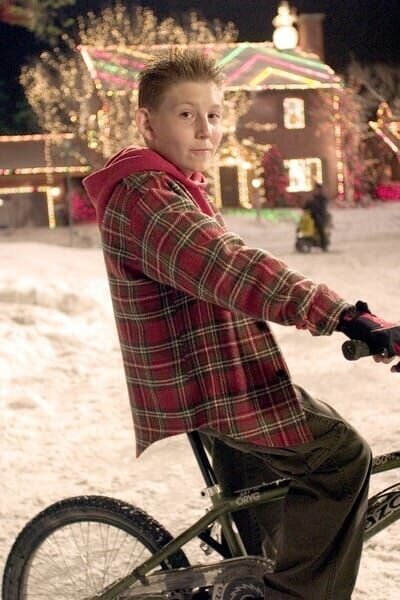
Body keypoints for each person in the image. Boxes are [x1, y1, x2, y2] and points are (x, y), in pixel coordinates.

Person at [83, 50, 400, 599]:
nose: (205, 129)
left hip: (224, 374)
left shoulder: (176, 186)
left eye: (213, 114)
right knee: (340, 457)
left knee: (265, 535)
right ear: (147, 122)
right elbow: (231, 267)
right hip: (213, 385)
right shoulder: (146, 198)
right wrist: (344, 315)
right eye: (186, 114)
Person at [305, 183, 330, 251]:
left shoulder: (323, 199)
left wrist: (314, 207)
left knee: (320, 228)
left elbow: (322, 209)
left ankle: (323, 244)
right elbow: (306, 206)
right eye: (316, 189)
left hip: (319, 217)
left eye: (318, 189)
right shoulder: (312, 198)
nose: (317, 191)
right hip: (311, 217)